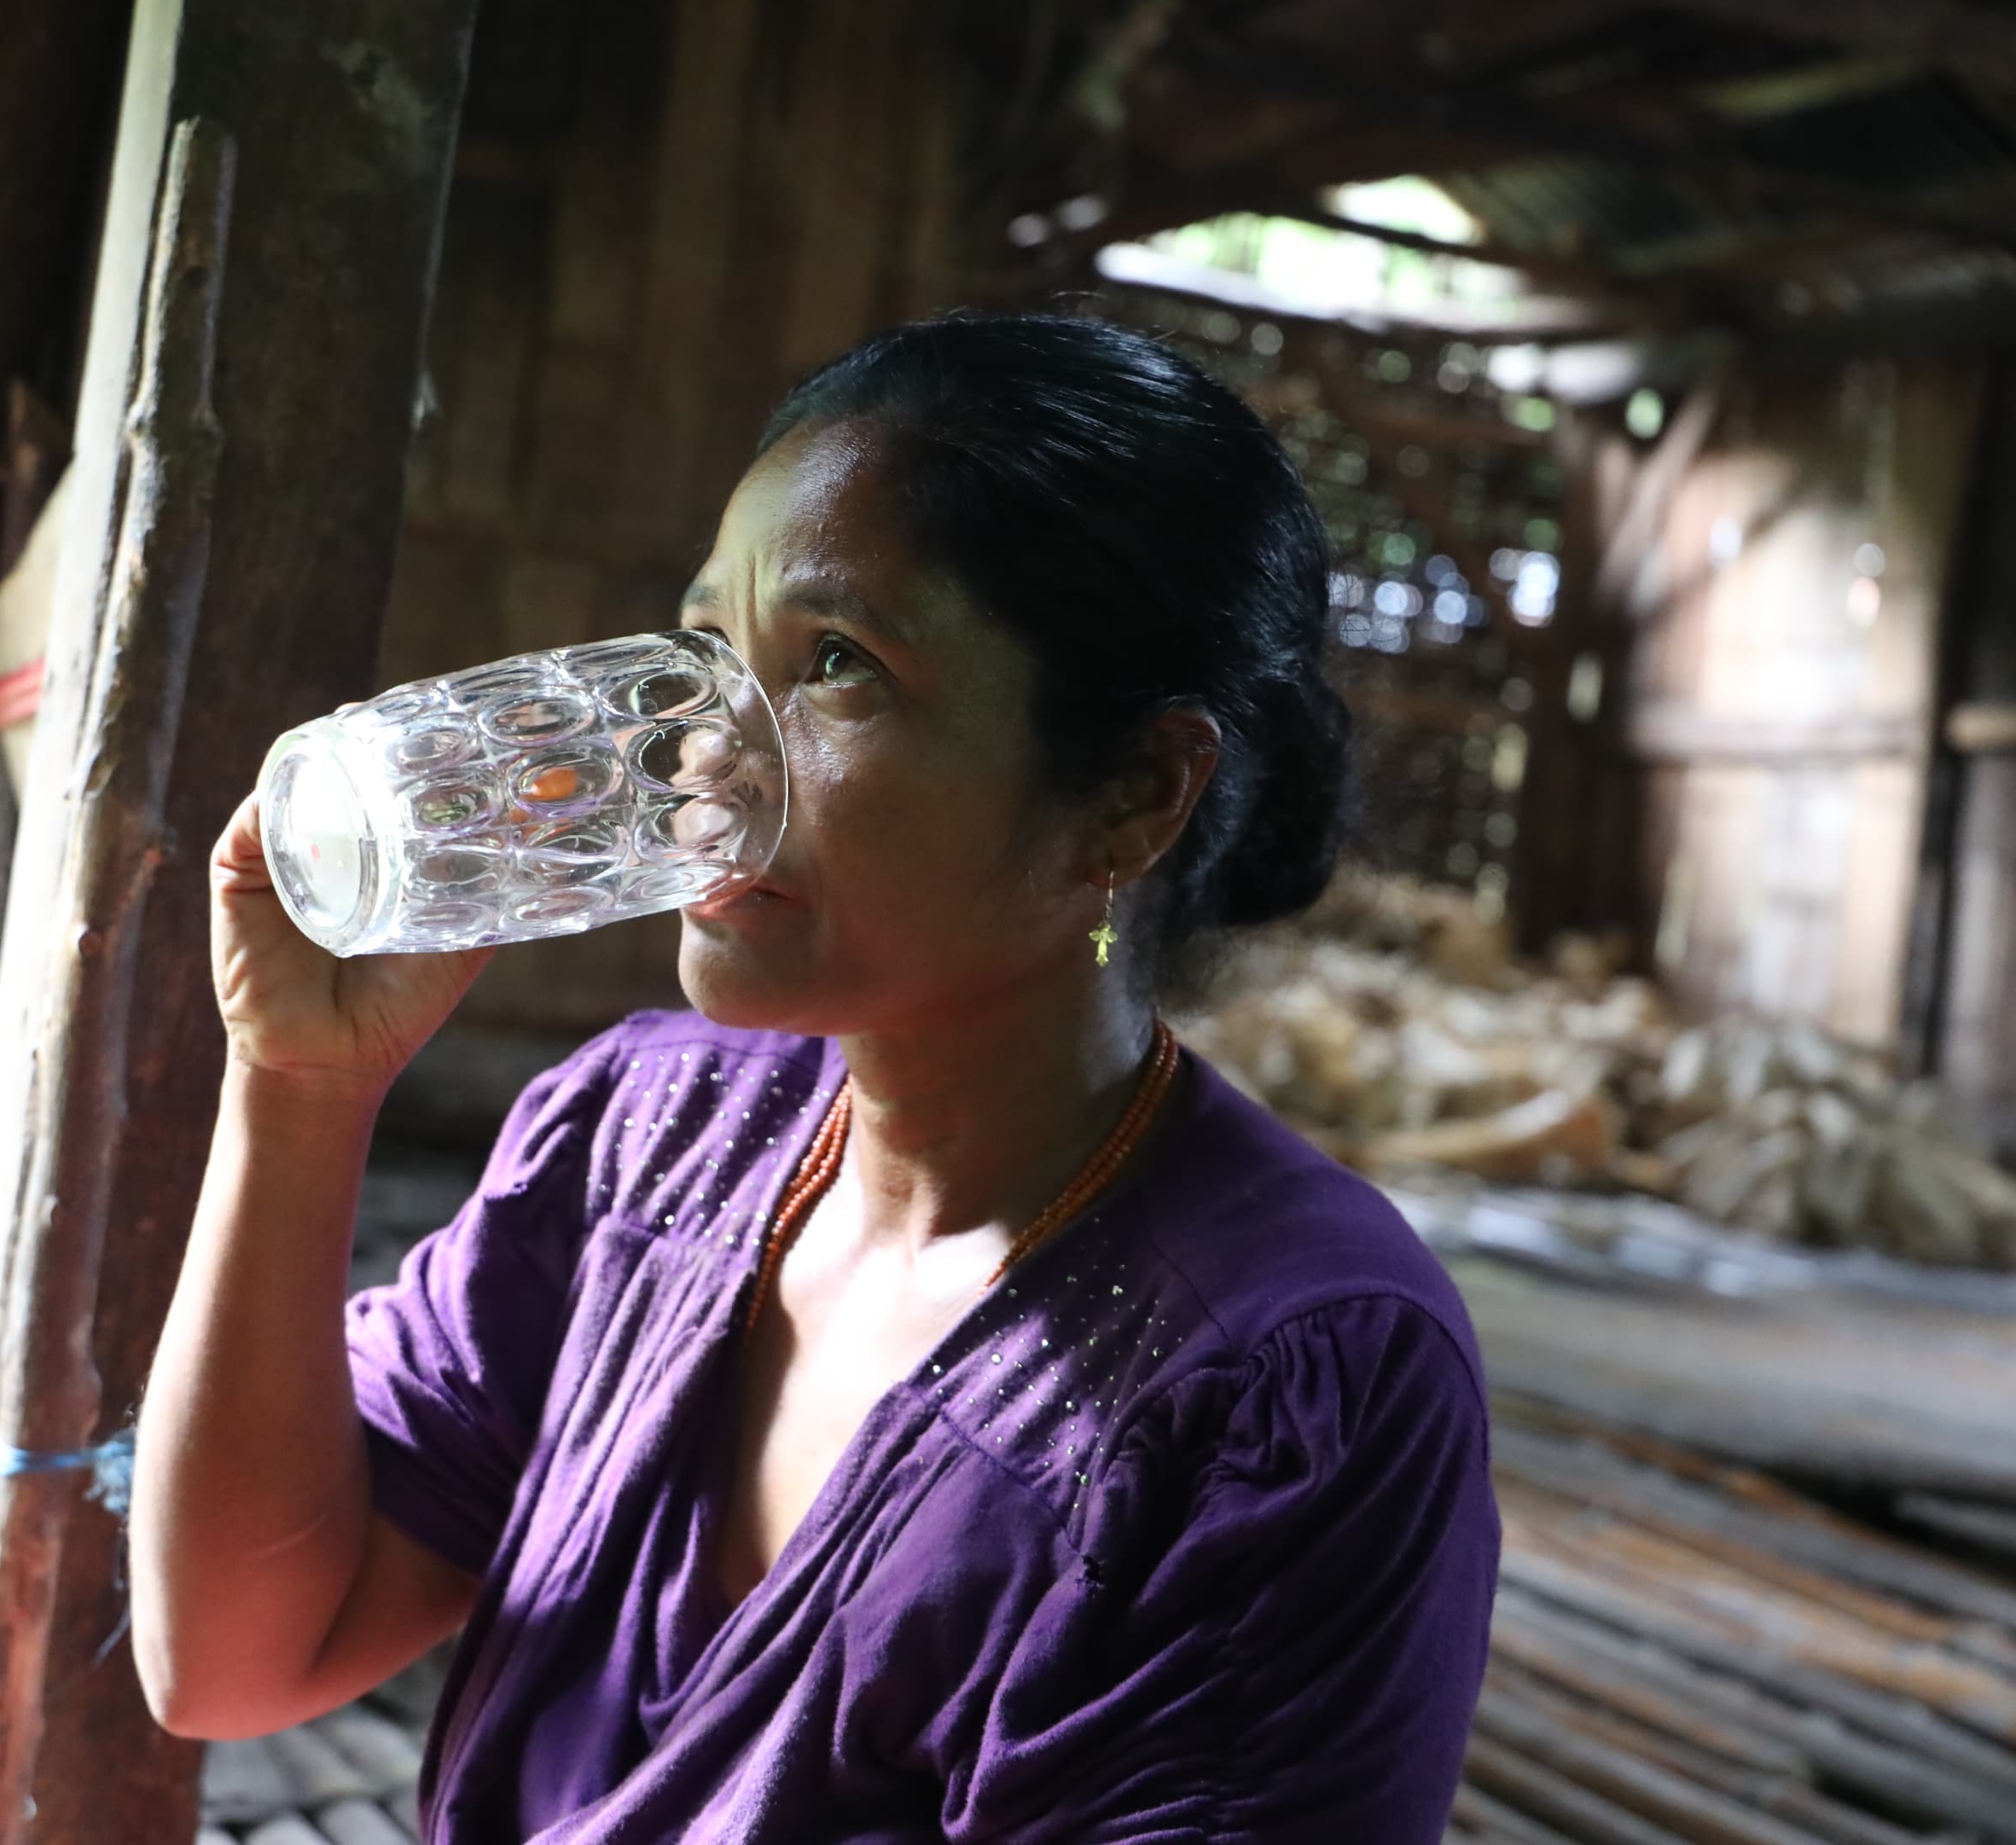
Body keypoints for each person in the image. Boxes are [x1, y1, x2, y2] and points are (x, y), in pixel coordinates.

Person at [131, 313, 1499, 1842]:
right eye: (713, 655)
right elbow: (237, 1660)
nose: (707, 755)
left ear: (1130, 793)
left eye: (835, 664)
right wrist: (300, 1091)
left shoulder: (1281, 1386)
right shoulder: (648, 1140)